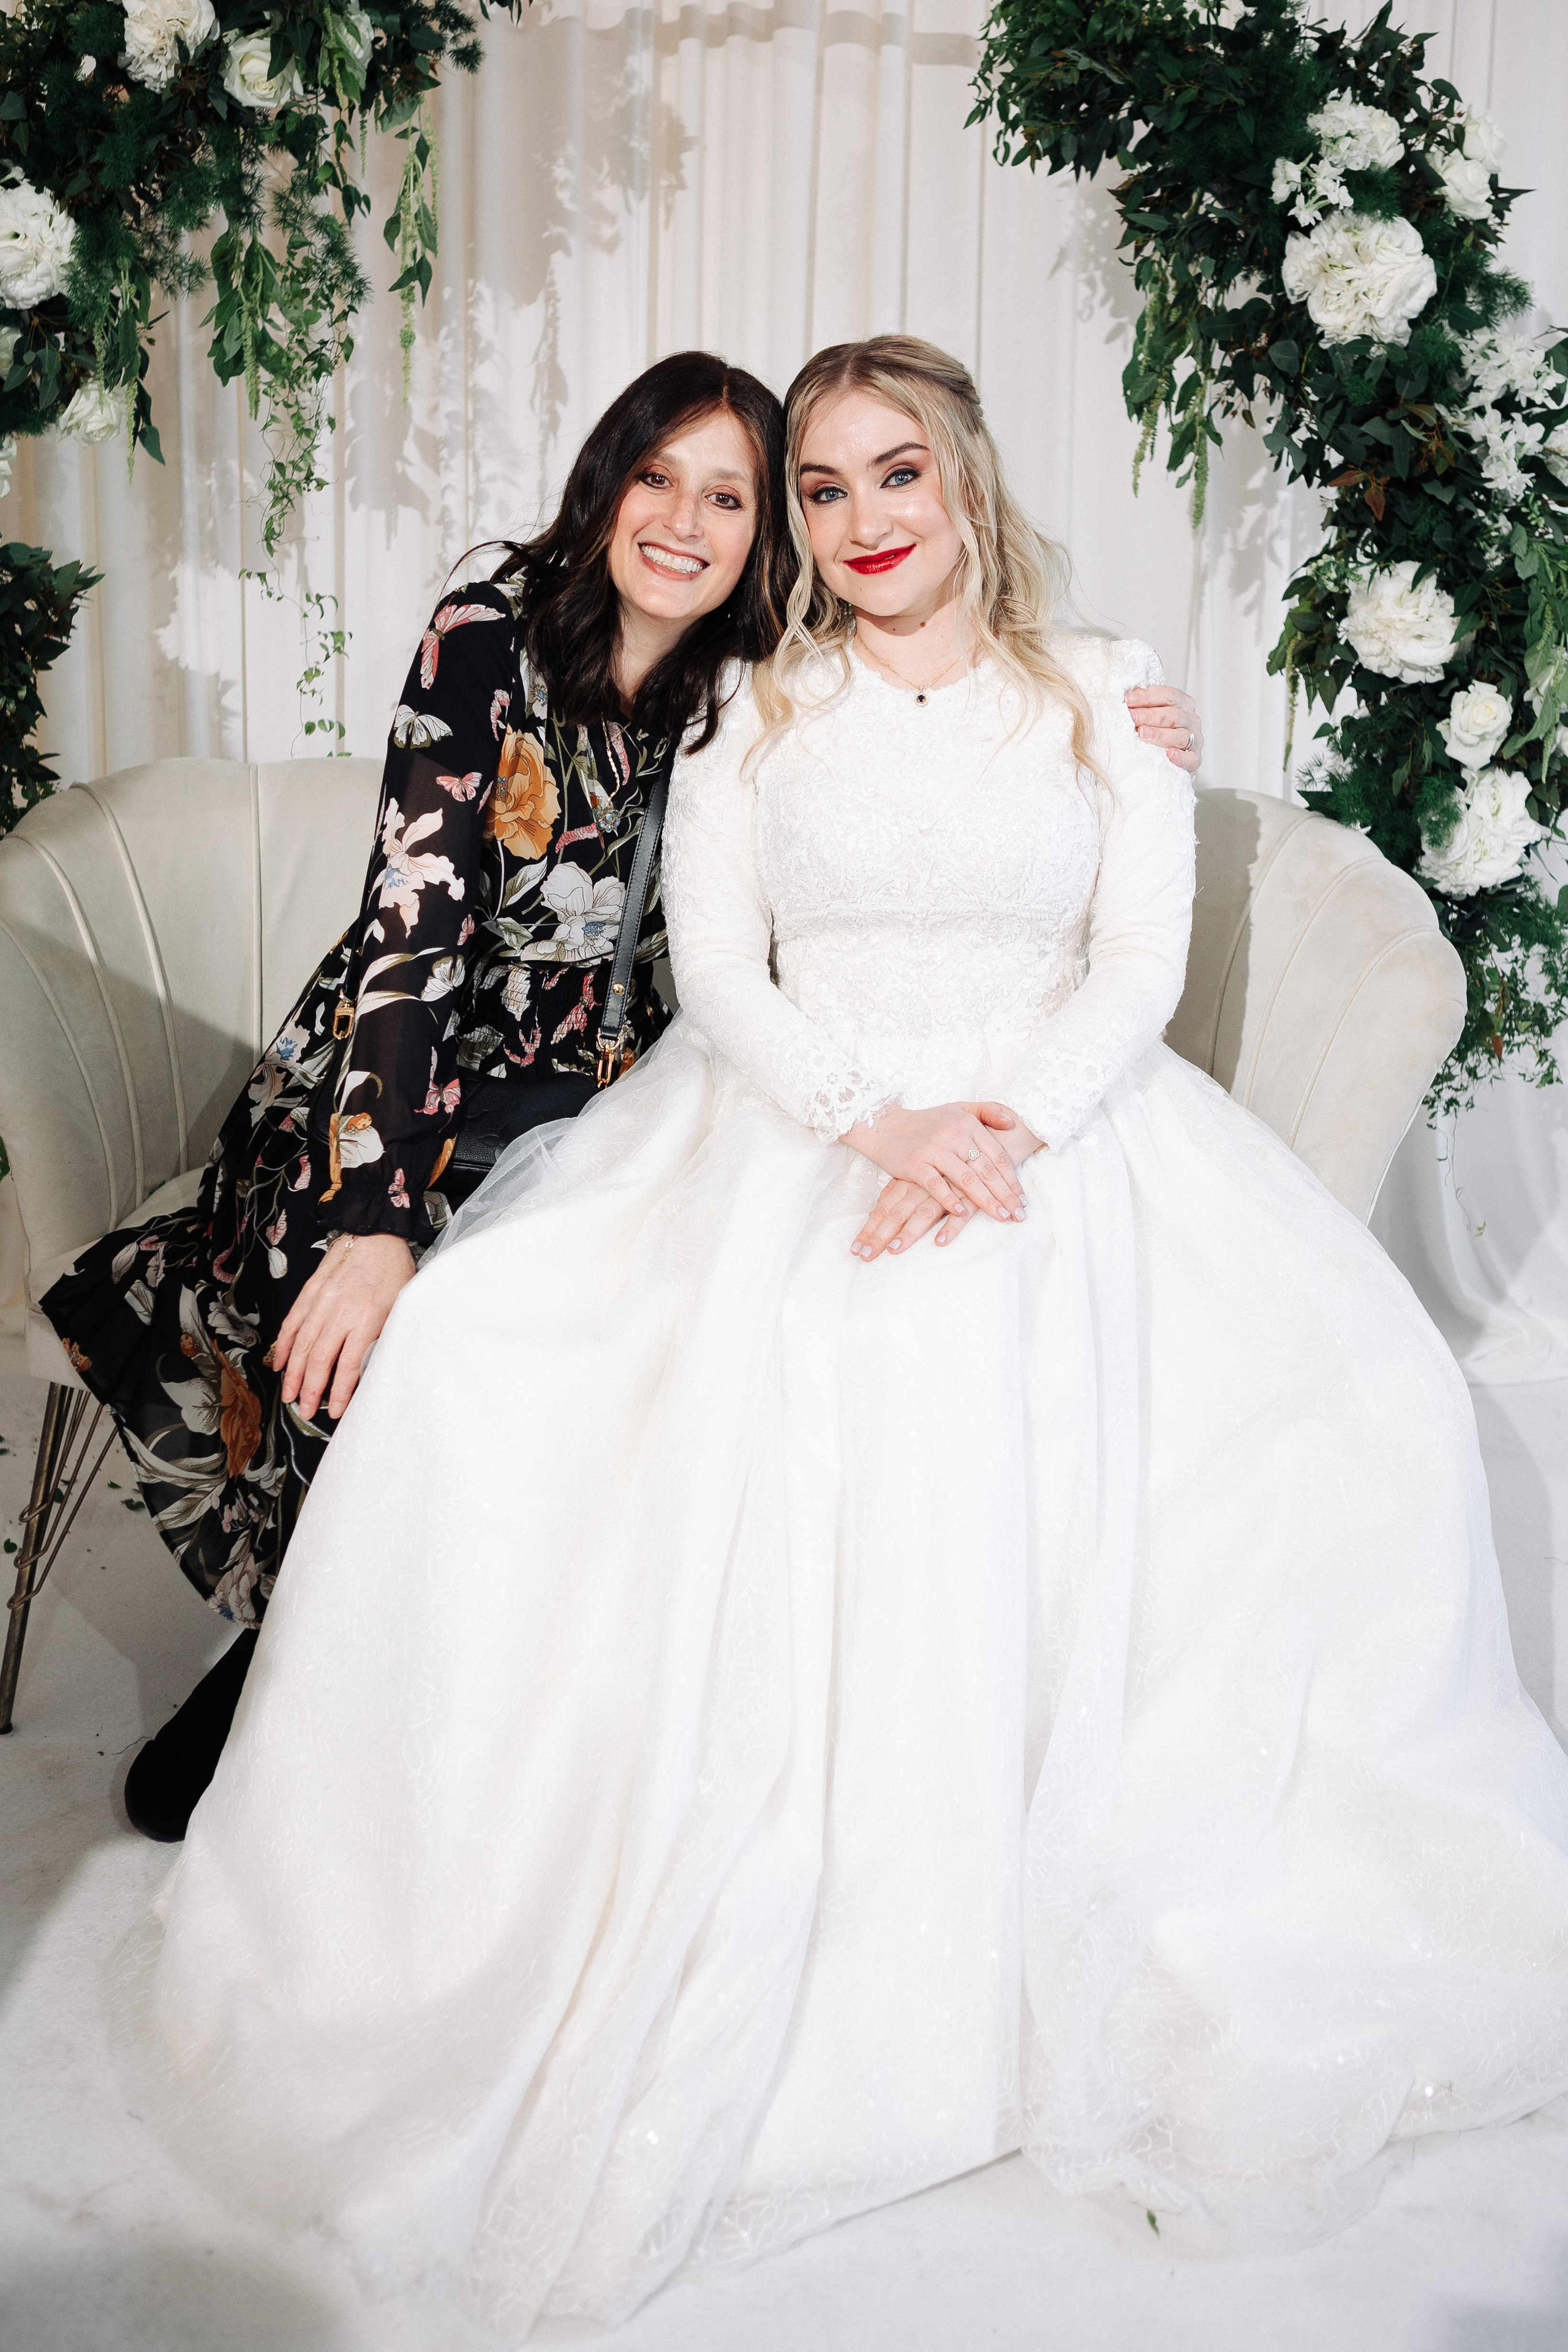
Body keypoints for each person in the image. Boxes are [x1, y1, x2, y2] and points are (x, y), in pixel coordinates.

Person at [122, 333, 1568, 2336]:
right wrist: (872, 1121)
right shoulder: (759, 705)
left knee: (1344, 1401)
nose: (860, 520)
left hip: (1057, 1127)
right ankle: (327, 1718)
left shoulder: (1100, 691)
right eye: (819, 488)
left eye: (894, 474)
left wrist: (1000, 1139)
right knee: (501, 1357)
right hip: (797, 1116)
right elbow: (716, 967)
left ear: (966, 481)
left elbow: (1137, 960)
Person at [43, 351, 1205, 1841]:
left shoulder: (746, 679)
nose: (683, 521)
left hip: (609, 1080)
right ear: (605, 486)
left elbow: (967, 784)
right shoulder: (488, 639)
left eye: (730, 495)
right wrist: (376, 1217)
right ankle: (295, 1638)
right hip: (422, 1076)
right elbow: (417, 930)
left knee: (619, 1337)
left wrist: (1142, 737)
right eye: (657, 478)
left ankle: (424, 1667)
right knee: (404, 1314)